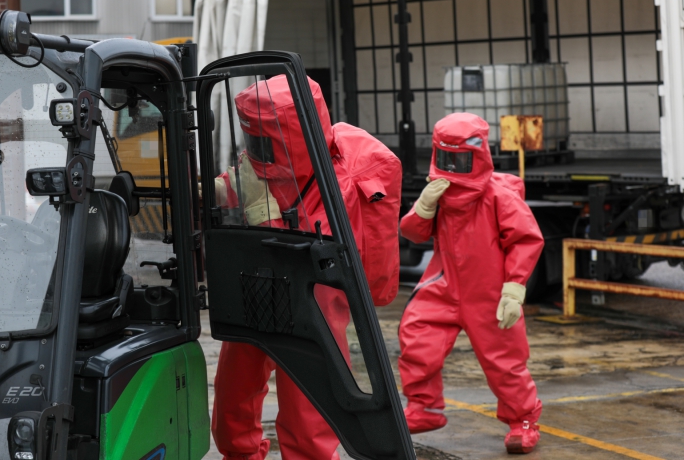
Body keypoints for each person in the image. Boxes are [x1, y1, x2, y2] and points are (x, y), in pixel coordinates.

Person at [211, 75, 401, 460]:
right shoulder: (265, 166)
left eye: (264, 144)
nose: (256, 152)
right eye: (253, 142)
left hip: (313, 305)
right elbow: (242, 186)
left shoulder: (341, 183)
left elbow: (306, 250)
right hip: (256, 288)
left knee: (308, 411)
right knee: (233, 397)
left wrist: (261, 213)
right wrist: (212, 191)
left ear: (292, 136)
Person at [398, 112, 544, 454]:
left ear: (478, 155)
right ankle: (425, 407)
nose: (452, 166)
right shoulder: (439, 193)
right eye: (446, 157)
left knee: (505, 362)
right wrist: (423, 207)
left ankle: (523, 421)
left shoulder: (498, 196)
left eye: (460, 159)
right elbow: (411, 233)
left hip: (490, 293)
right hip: (443, 283)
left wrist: (513, 288)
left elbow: (526, 239)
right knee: (417, 339)